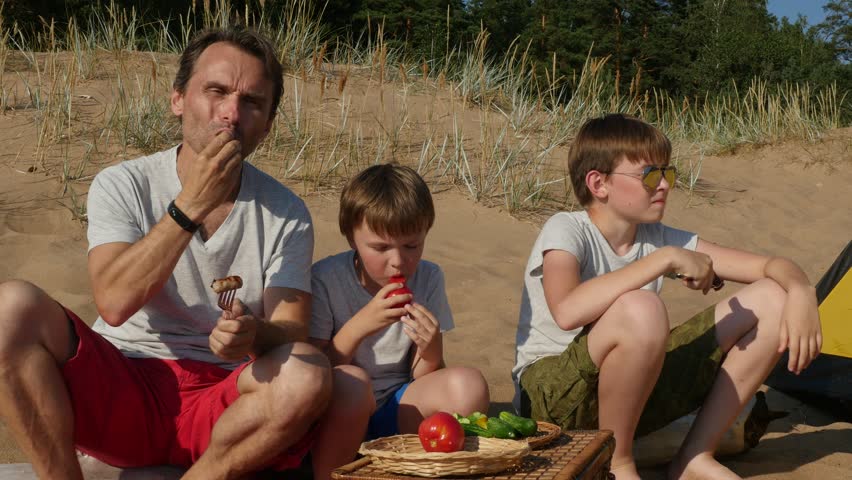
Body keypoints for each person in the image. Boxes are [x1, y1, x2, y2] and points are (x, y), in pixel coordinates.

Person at [0, 27, 372, 480]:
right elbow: (114, 304)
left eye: (252, 102)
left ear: (269, 124)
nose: (231, 113)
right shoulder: (124, 184)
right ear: (178, 98)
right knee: (9, 309)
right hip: (124, 382)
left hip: (224, 406)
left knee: (309, 373)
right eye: (215, 91)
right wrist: (191, 204)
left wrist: (254, 335)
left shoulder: (286, 212)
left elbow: (293, 333)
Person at [512, 114, 821, 480]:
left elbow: (770, 266)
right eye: (649, 175)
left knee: (774, 297)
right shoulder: (566, 228)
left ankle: (694, 458)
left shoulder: (658, 236)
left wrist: (801, 290)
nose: (663, 185)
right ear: (599, 183)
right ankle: (616, 463)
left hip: (630, 397)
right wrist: (665, 260)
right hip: (552, 403)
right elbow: (567, 310)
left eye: (667, 173)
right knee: (642, 307)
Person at [309, 164, 490, 440]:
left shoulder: (428, 277)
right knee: (351, 383)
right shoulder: (326, 279)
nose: (397, 261)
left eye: (411, 246)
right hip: (339, 410)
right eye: (380, 248)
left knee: (469, 385)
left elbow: (423, 375)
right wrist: (359, 325)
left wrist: (430, 350)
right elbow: (315, 372)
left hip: (399, 406)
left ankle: (426, 464)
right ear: (350, 237)